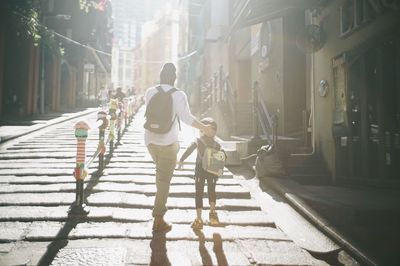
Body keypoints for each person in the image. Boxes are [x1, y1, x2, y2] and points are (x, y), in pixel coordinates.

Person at [144, 62, 215, 232]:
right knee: (163, 181)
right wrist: (205, 128)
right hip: (168, 143)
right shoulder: (179, 95)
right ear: (174, 78)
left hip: (150, 142)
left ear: (161, 76)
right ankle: (158, 218)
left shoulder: (150, 92)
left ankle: (158, 212)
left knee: (160, 176)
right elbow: (187, 118)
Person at [177, 117, 222, 229]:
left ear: (202, 129)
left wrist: (182, 159)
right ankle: (213, 215)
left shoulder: (198, 141)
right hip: (212, 172)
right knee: (212, 191)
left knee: (199, 193)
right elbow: (220, 159)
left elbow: (189, 149)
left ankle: (199, 219)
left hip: (200, 171)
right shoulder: (217, 144)